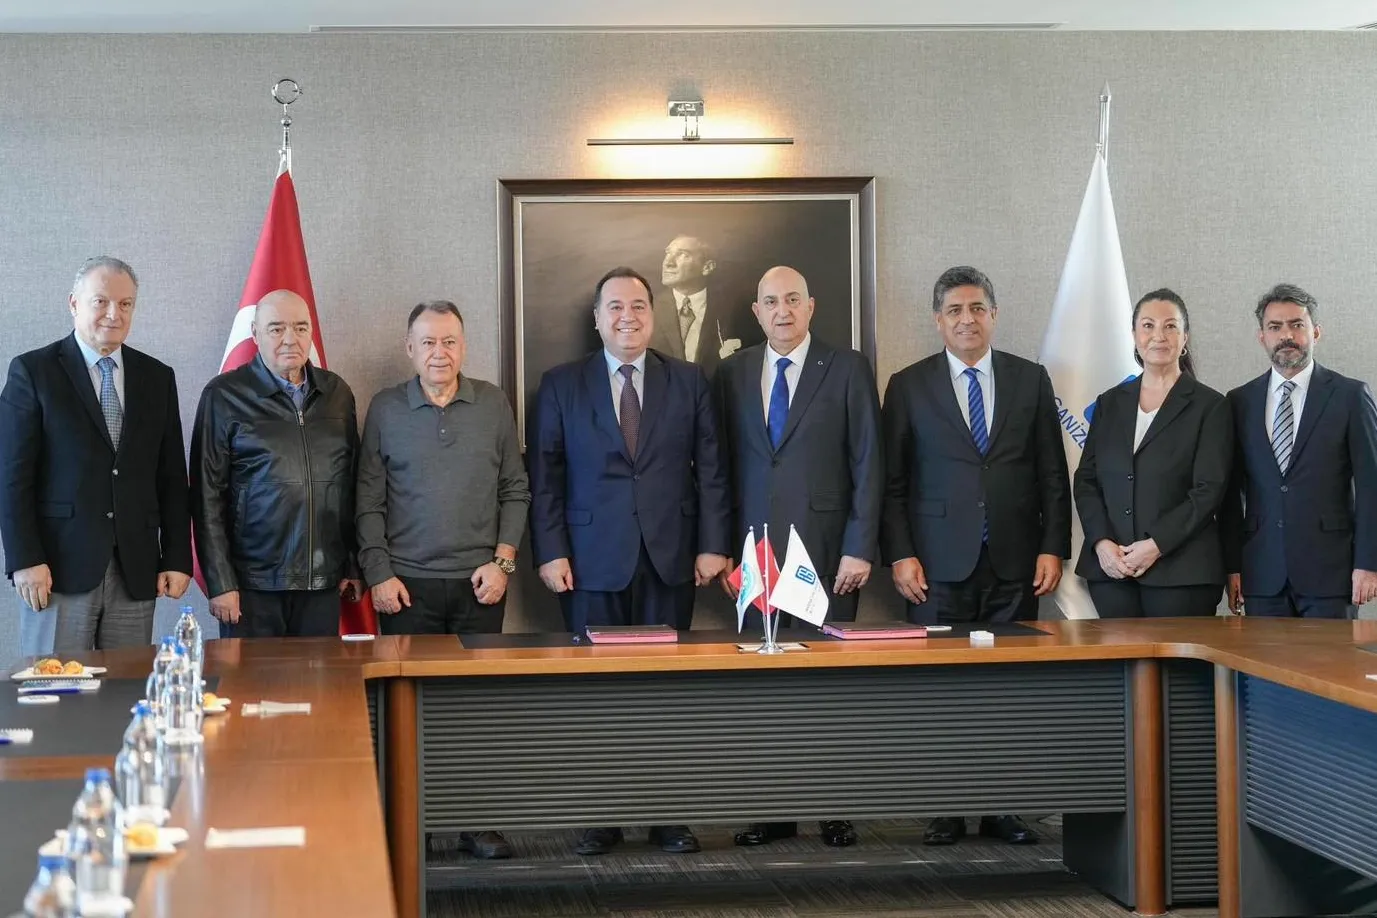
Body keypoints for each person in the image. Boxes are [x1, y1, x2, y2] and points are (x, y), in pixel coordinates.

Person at [527, 266, 730, 857]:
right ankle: (602, 815)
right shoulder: (560, 384)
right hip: (589, 562)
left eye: (638, 305)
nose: (628, 316)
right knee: (597, 692)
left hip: (671, 558)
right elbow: (545, 478)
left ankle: (667, 816)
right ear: (597, 319)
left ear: (653, 313)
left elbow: (713, 470)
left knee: (667, 692)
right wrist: (551, 550)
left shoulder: (688, 380)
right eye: (614, 307)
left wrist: (713, 544)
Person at [880, 265, 1071, 846]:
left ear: (994, 314)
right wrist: (900, 554)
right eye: (955, 311)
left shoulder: (1030, 379)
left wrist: (1053, 546)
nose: (968, 320)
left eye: (978, 309)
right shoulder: (908, 385)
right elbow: (892, 483)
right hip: (935, 567)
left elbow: (1051, 473)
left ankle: (1002, 808)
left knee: (1007, 688)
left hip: (1015, 562)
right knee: (940, 688)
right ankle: (946, 807)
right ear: (938, 320)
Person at [714, 265, 882, 850]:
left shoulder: (848, 367)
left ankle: (833, 807)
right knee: (762, 688)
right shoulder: (733, 372)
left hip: (829, 554)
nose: (781, 311)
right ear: (756, 312)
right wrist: (725, 549)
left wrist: (860, 546)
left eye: (792, 300)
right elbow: (719, 468)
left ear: (811, 307)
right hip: (754, 557)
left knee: (827, 687)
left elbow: (869, 462)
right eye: (770, 302)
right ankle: (772, 809)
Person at [356, 299, 529, 861]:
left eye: (450, 341)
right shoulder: (386, 408)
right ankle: (416, 825)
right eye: (428, 342)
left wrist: (503, 564)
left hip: (481, 585)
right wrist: (379, 574)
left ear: (463, 346)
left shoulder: (493, 403)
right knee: (408, 710)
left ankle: (476, 822)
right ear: (409, 349)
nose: (440, 353)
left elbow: (515, 490)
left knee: (476, 710)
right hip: (406, 588)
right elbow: (367, 501)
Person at [0, 256, 191, 654]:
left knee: (126, 686)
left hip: (135, 568)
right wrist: (24, 558)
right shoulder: (33, 371)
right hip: (57, 569)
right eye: (101, 301)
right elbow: (11, 476)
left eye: (125, 304)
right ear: (74, 303)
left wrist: (176, 556)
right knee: (57, 686)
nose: (113, 314)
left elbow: (172, 476)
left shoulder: (157, 377)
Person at [190, 289, 361, 638]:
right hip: (251, 586)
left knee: (321, 676)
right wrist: (221, 582)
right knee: (251, 675)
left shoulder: (337, 394)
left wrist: (354, 565)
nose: (290, 339)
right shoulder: (224, 395)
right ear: (255, 334)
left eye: (300, 328)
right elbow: (206, 496)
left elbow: (353, 485)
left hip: (322, 582)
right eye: (276, 328)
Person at [1072, 289, 1232, 618]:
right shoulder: (1109, 403)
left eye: (1170, 326)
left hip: (1182, 573)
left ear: (1185, 338)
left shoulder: (1211, 406)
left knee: (1176, 656)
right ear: (1134, 335)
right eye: (1148, 325)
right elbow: (1086, 479)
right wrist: (1101, 542)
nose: (1159, 335)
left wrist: (1156, 545)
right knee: (1120, 655)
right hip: (1112, 571)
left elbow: (1209, 490)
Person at [1222, 284, 1377, 618]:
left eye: (1296, 324)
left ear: (1315, 332)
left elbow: (1371, 487)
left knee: (1330, 655)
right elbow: (1231, 495)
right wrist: (1233, 565)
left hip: (1331, 573)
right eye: (1275, 327)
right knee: (1263, 657)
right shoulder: (1239, 402)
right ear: (1262, 337)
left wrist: (1368, 563)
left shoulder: (1350, 396)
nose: (1286, 335)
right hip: (1261, 572)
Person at [649, 234, 744, 377]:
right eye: (668, 253)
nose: (668, 263)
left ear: (707, 267)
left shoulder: (734, 312)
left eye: (682, 254)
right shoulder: (649, 309)